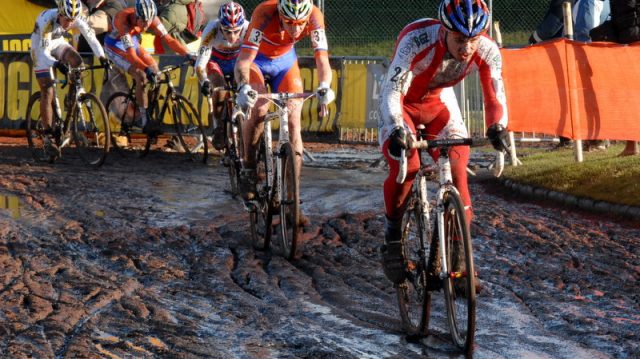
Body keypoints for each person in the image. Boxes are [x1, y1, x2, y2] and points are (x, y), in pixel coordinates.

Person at [377, 0, 509, 285]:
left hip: (438, 105)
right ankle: (393, 237)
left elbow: (495, 94)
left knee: (459, 175)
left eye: (473, 40)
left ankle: (459, 259)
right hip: (402, 106)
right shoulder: (416, 38)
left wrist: (497, 126)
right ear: (444, 30)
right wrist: (398, 128)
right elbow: (393, 89)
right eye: (460, 39)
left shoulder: (486, 49)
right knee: (408, 167)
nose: (467, 48)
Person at [234, 0, 336, 200]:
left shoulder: (315, 16)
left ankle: (293, 196)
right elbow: (244, 60)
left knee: (294, 122)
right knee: (259, 109)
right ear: (280, 14)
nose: (295, 29)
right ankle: (249, 168)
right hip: (257, 61)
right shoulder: (264, 13)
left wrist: (325, 85)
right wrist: (243, 86)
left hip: (285, 62)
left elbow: (322, 58)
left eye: (300, 23)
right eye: (289, 22)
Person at [30, 0, 109, 158]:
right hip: (40, 48)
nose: (69, 23)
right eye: (66, 19)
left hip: (57, 43)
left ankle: (72, 96)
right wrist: (57, 64)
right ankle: (48, 137)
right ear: (59, 14)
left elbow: (91, 37)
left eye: (72, 20)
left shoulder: (76, 18)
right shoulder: (47, 20)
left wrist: (102, 57)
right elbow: (44, 52)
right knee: (48, 91)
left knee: (76, 61)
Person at [104, 0, 191, 133]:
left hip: (132, 42)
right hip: (115, 46)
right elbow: (132, 56)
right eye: (143, 21)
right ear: (137, 16)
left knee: (156, 70)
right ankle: (144, 119)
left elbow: (169, 40)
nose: (146, 25)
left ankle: (148, 106)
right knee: (141, 75)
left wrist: (188, 54)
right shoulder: (123, 20)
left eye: (149, 22)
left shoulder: (152, 19)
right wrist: (146, 69)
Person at [194, 1, 248, 150]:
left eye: (237, 31)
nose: (233, 36)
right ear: (220, 26)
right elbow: (200, 64)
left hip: (237, 62)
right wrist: (204, 81)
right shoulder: (212, 29)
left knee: (247, 86)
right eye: (227, 31)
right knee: (218, 86)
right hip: (216, 62)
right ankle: (219, 128)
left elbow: (256, 59)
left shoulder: (248, 29)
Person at [589, 0, 640, 156]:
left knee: (630, 94)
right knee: (629, 94)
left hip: (631, 41)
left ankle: (632, 146)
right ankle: (631, 145)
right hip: (626, 41)